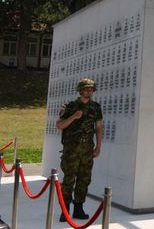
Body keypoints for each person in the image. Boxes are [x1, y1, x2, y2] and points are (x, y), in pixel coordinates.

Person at [56, 77, 103, 221]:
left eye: (90, 89)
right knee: (69, 179)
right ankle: (65, 210)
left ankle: (78, 209)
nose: (88, 92)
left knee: (84, 179)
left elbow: (99, 127)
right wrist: (74, 117)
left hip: (87, 149)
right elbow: (60, 125)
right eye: (85, 89)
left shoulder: (95, 107)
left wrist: (98, 146)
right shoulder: (70, 106)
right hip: (71, 149)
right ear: (80, 90)